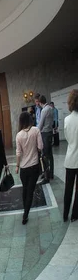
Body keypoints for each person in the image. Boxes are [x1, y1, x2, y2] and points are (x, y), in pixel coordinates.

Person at [15, 111, 43, 225]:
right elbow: (40, 147)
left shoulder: (18, 135)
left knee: (25, 189)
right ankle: (25, 214)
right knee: (30, 191)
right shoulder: (36, 130)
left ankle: (25, 210)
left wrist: (17, 166)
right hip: (34, 165)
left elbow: (18, 152)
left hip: (23, 168)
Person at [63, 90, 78, 222]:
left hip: (70, 158)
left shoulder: (67, 119)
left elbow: (67, 138)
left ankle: (65, 214)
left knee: (68, 188)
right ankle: (74, 215)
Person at [38, 94, 55, 183]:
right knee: (50, 155)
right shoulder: (51, 108)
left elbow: (40, 124)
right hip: (50, 132)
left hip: (44, 133)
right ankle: (51, 173)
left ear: (41, 102)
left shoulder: (44, 110)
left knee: (44, 156)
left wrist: (36, 132)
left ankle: (46, 177)